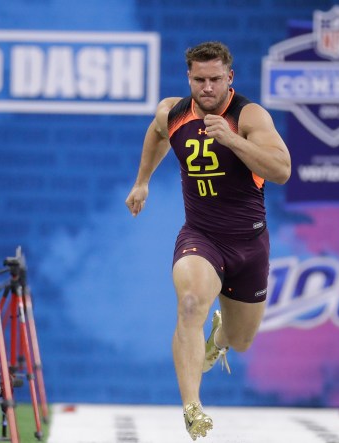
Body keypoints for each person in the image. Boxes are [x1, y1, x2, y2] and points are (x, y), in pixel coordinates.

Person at [124, 41, 291, 440]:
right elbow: (156, 134)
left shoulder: (248, 115)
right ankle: (192, 407)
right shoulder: (173, 111)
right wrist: (142, 182)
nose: (207, 87)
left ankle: (220, 338)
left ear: (229, 78)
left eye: (216, 79)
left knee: (242, 340)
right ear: (189, 79)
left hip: (249, 244)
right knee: (190, 301)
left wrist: (232, 140)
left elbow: (282, 170)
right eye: (199, 80)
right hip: (201, 236)